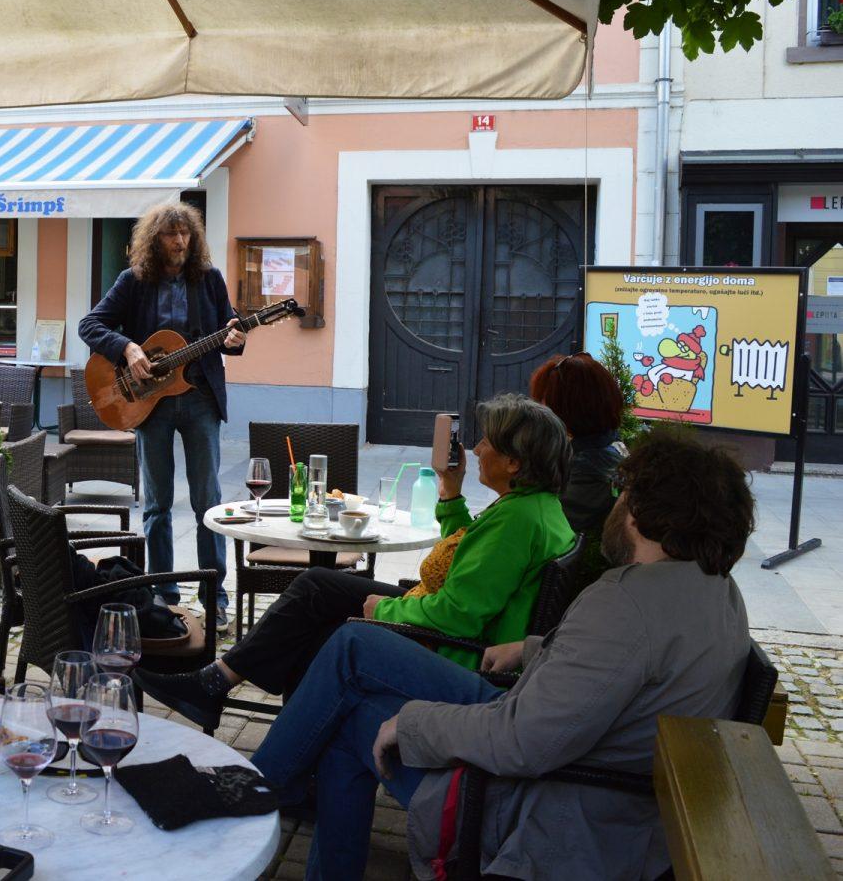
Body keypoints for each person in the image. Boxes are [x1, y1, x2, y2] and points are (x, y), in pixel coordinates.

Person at [249, 430, 754, 881]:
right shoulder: (716, 591)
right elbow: (626, 669)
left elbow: (522, 740)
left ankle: (253, 794)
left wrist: (412, 725)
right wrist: (536, 648)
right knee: (355, 645)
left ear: (643, 512)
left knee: (354, 692)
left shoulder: (629, 601)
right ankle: (264, 788)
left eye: (623, 495)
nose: (614, 506)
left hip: (545, 806)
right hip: (599, 780)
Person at [135, 394, 573, 731]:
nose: (476, 449)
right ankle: (217, 685)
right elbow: (464, 554)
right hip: (458, 627)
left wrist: (383, 610)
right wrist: (450, 491)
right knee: (319, 586)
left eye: (487, 442)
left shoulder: (516, 522)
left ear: (514, 462)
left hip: (458, 653)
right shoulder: (534, 507)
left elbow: (457, 616)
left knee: (320, 620)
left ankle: (229, 697)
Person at [78, 201, 245, 631]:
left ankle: (215, 595)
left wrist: (236, 337)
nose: (179, 242)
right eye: (171, 234)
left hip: (200, 399)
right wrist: (128, 347)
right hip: (149, 402)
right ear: (156, 239)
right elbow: (90, 325)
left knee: (208, 501)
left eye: (186, 234)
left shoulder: (208, 280)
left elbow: (229, 334)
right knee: (157, 505)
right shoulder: (133, 282)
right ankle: (165, 594)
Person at [529, 352, 627, 588]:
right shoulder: (610, 445)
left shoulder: (587, 468)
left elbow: (545, 536)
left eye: (543, 402)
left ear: (568, 410)